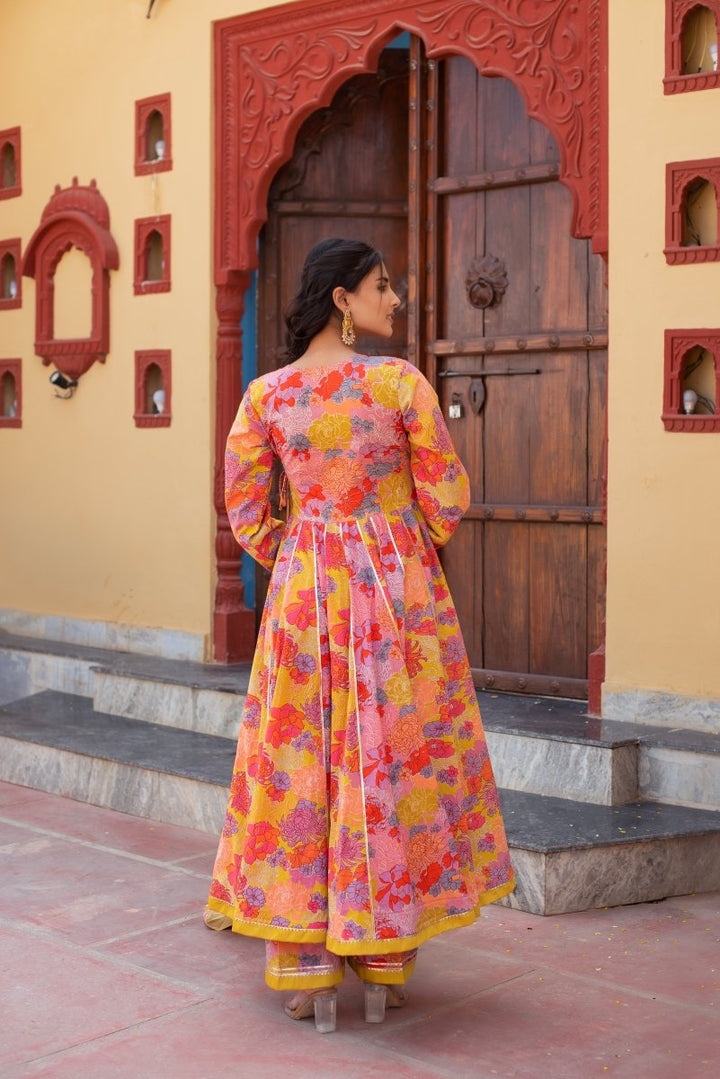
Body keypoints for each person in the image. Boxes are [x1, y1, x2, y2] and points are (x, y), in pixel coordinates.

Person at [205, 238, 515, 1032]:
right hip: (394, 595)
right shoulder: (396, 383)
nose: (397, 299)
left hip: (304, 597)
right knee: (391, 748)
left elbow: (242, 505)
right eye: (384, 286)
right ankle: (383, 957)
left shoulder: (267, 396)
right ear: (343, 298)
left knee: (302, 755)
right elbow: (448, 492)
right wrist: (394, 540)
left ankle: (304, 962)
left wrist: (303, 548)